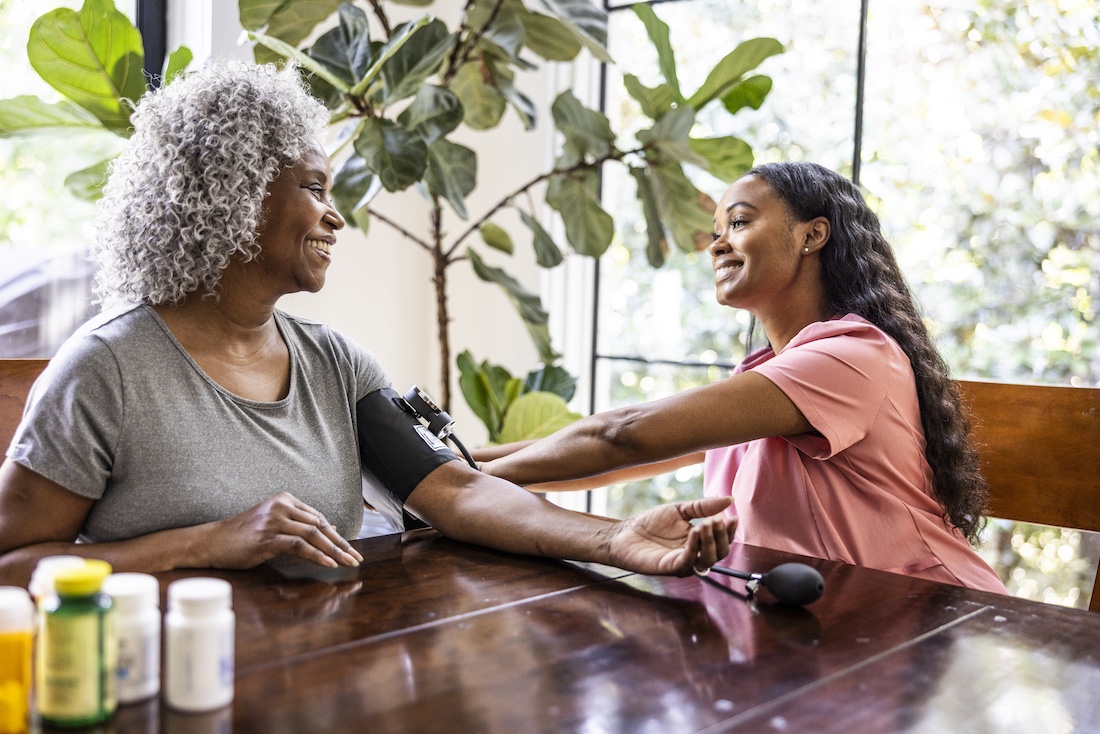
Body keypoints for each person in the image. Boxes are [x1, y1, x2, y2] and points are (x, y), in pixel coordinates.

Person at [0, 60, 737, 588]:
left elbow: (459, 491)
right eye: (313, 187)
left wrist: (617, 539)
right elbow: (13, 570)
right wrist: (207, 542)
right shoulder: (105, 369)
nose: (335, 213)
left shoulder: (335, 363)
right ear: (232, 194)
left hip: (318, 677)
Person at [479, 161, 1007, 594]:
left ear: (813, 235)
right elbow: (612, 461)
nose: (716, 245)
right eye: (715, 232)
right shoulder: (766, 377)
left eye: (739, 222)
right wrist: (459, 464)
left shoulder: (851, 358)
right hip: (831, 622)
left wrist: (450, 483)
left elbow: (624, 435)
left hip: (936, 621)